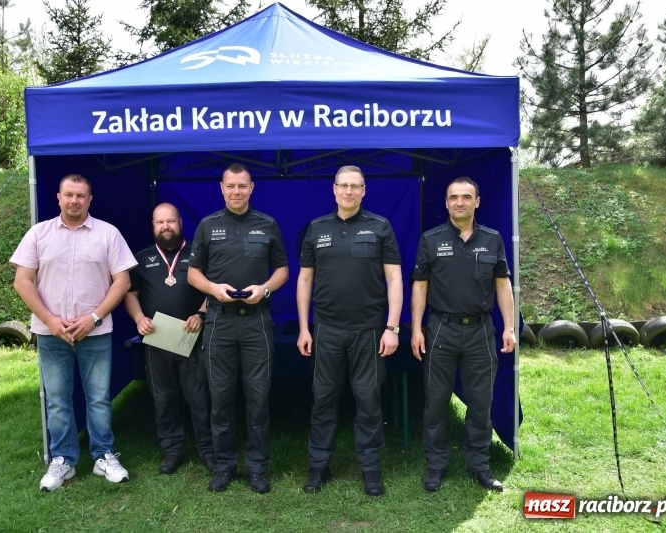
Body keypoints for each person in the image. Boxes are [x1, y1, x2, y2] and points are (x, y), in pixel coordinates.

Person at [10, 173, 138, 492]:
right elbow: (22, 281)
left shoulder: (108, 234)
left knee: (98, 398)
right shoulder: (38, 235)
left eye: (81, 195)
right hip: (51, 334)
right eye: (69, 195)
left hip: (94, 332)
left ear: (90, 199)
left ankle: (103, 456)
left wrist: (93, 317)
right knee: (57, 400)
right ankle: (63, 461)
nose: (74, 201)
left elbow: (122, 282)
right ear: (58, 197)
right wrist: (51, 321)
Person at [296, 165, 403, 497]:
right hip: (326, 330)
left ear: (363, 191)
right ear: (334, 190)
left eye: (355, 186)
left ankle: (370, 471)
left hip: (369, 332)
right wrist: (304, 327)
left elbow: (395, 279)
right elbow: (305, 280)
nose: (348, 192)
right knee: (323, 400)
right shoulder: (316, 228)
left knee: (369, 401)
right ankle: (318, 468)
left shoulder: (380, 226)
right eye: (343, 186)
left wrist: (392, 327)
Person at [410, 176, 516, 493]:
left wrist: (509, 326)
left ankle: (479, 466)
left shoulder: (493, 239)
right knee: (435, 402)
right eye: (453, 197)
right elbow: (420, 285)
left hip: (481, 331)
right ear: (446, 203)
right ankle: (435, 466)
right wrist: (416, 328)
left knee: (481, 403)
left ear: (477, 201)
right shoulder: (431, 239)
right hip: (440, 328)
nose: (459, 202)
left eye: (466, 197)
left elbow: (502, 284)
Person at [188, 163, 289, 494]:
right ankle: (225, 466)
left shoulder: (268, 225)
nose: (236, 191)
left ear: (251, 188)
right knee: (221, 399)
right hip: (219, 321)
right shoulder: (208, 225)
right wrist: (213, 289)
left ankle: (258, 468)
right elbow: (193, 274)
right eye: (230, 186)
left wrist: (266, 289)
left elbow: (283, 270)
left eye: (242, 186)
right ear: (222, 188)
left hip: (257, 321)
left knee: (258, 399)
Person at [124, 203, 215, 476]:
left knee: (199, 397)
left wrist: (201, 313)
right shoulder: (141, 259)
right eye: (160, 222)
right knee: (164, 398)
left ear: (180, 223)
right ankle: (172, 451)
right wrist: (139, 319)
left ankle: (208, 451)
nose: (166, 227)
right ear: (153, 226)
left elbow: (212, 291)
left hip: (191, 338)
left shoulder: (198, 255)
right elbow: (130, 294)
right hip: (157, 339)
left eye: (171, 221)